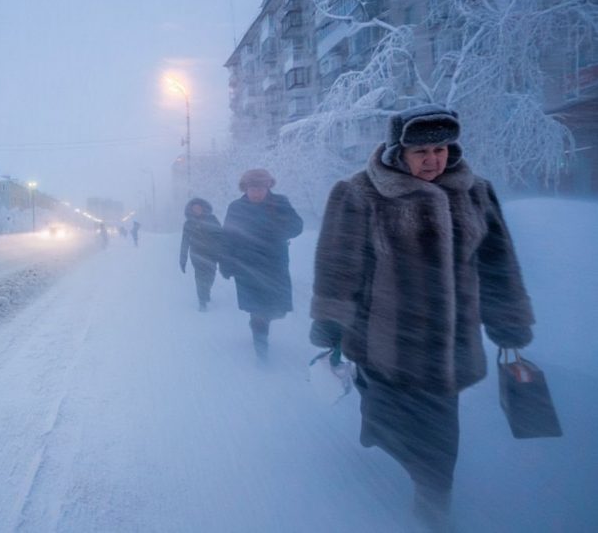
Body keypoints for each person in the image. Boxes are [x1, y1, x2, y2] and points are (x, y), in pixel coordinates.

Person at [309, 104, 534, 530]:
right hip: (384, 340)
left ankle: (432, 501)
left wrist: (508, 320)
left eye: (441, 149)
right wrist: (330, 319)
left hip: (449, 346)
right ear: (398, 153)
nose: (433, 160)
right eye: (421, 152)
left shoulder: (475, 192)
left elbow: (498, 263)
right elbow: (340, 264)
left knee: (438, 436)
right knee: (394, 415)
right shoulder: (360, 193)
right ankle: (399, 449)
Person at [220, 169, 303, 360]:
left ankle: (260, 326)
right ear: (245, 188)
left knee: (274, 309)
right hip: (246, 266)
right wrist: (226, 263)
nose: (256, 193)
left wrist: (276, 229)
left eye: (261, 188)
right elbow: (227, 237)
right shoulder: (236, 207)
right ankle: (261, 349)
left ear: (268, 187)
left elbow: (297, 225)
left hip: (274, 266)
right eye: (252, 188)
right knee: (257, 309)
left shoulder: (279, 203)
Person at [179, 198, 223, 311]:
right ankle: (202, 301)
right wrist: (183, 259)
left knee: (211, 275)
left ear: (203, 208)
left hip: (212, 254)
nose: (197, 210)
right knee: (199, 277)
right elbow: (185, 241)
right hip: (197, 254)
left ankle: (206, 291)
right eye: (194, 209)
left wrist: (223, 252)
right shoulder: (188, 223)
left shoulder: (212, 219)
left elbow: (221, 235)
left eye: (199, 208)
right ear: (191, 210)